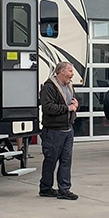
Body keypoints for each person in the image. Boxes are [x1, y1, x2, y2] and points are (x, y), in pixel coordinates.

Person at [37, 61, 79, 200]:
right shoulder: (49, 87)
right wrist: (67, 109)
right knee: (51, 160)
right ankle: (46, 187)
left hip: (67, 129)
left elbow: (72, 101)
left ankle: (64, 189)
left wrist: (75, 104)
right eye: (70, 71)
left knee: (66, 161)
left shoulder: (69, 86)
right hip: (53, 131)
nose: (72, 75)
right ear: (61, 72)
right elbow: (47, 107)